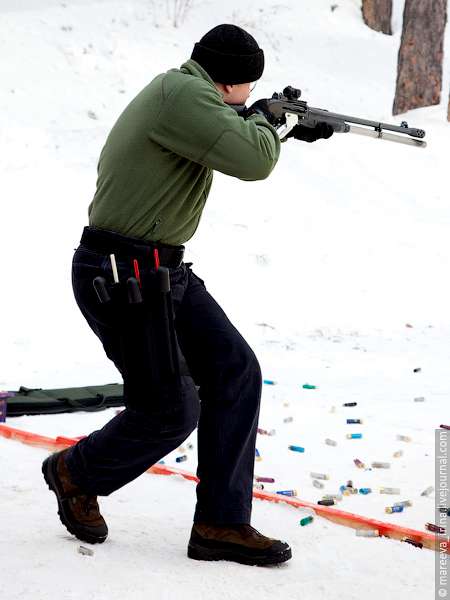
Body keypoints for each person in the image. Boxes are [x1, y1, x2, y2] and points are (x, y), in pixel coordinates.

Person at [41, 24, 333, 567]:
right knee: (170, 409)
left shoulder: (191, 97)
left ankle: (221, 524)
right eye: (249, 86)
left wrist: (273, 125)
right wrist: (270, 123)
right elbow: (254, 162)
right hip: (122, 271)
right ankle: (73, 473)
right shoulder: (183, 94)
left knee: (235, 371)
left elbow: (243, 140)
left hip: (160, 269)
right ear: (231, 82)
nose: (250, 94)